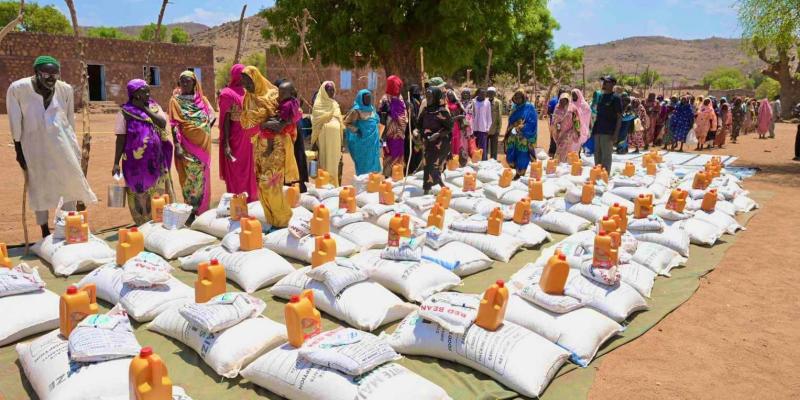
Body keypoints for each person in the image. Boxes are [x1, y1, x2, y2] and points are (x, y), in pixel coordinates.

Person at [7, 55, 96, 238]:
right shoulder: (18, 89)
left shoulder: (64, 89)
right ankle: (44, 230)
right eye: (46, 74)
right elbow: (15, 120)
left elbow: (69, 120)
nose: (51, 79)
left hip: (62, 143)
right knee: (39, 185)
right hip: (33, 146)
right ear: (36, 73)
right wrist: (19, 151)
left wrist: (73, 147)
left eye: (55, 75)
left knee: (69, 181)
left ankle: (67, 224)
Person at [240, 68, 299, 228]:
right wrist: (263, 125)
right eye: (243, 81)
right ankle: (273, 220)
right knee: (262, 186)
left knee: (272, 185)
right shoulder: (247, 100)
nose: (245, 84)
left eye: (248, 80)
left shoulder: (273, 94)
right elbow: (245, 125)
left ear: (256, 79)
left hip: (277, 147)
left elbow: (295, 112)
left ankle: (283, 219)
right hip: (260, 147)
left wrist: (282, 124)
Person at [112, 79, 174, 225]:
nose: (148, 93)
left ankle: (156, 222)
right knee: (137, 194)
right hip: (133, 164)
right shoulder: (124, 112)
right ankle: (142, 224)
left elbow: (162, 123)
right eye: (144, 91)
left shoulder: (154, 107)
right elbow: (120, 139)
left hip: (155, 160)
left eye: (148, 90)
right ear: (134, 94)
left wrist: (144, 109)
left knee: (156, 193)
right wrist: (115, 163)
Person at [168, 70, 215, 219]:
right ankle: (191, 209)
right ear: (179, 83)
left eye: (188, 80)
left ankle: (202, 210)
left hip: (203, 146)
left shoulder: (203, 100)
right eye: (182, 81)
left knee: (203, 177)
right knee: (190, 177)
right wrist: (178, 145)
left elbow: (212, 117)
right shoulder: (175, 101)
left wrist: (203, 130)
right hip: (187, 146)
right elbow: (174, 124)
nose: (185, 83)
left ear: (195, 83)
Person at [219, 64, 258, 200]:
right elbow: (225, 121)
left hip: (250, 140)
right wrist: (226, 145)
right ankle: (237, 202)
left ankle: (251, 201)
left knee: (251, 171)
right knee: (236, 171)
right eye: (242, 74)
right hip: (235, 139)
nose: (244, 77)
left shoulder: (249, 92)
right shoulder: (227, 94)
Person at [416, 86, 452, 193]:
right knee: (428, 165)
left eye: (430, 96)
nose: (428, 98)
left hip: (440, 144)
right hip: (429, 143)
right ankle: (434, 186)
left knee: (432, 165)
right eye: (427, 96)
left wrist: (438, 134)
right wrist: (417, 132)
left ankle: (429, 188)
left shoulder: (442, 111)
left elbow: (449, 128)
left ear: (436, 97)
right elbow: (419, 125)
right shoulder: (425, 111)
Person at [311, 81, 344, 186]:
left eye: (333, 90)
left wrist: (342, 143)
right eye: (329, 90)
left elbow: (340, 122)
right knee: (324, 163)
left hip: (336, 140)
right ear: (323, 91)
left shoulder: (335, 105)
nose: (331, 92)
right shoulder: (318, 105)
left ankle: (334, 186)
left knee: (334, 164)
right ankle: (324, 185)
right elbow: (316, 124)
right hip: (323, 139)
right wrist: (314, 142)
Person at [344, 89, 381, 175]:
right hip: (362, 143)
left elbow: (376, 121)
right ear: (361, 99)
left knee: (373, 162)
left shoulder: (372, 109)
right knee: (364, 165)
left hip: (373, 142)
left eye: (369, 98)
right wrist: (356, 130)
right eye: (366, 98)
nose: (368, 100)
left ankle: (373, 182)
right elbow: (347, 122)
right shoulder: (356, 110)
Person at [591, 76, 622, 172]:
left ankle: (604, 176)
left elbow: (619, 117)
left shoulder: (616, 98)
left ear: (613, 84)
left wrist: (616, 134)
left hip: (608, 132)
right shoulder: (601, 96)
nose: (603, 83)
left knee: (606, 156)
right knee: (597, 155)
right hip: (598, 130)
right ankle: (597, 173)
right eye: (603, 82)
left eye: (606, 82)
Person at [379, 75, 408, 176]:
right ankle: (388, 178)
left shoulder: (400, 98)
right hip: (388, 136)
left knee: (398, 159)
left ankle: (397, 177)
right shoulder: (385, 99)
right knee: (388, 157)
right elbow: (382, 120)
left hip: (399, 136)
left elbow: (404, 117)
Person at [506, 90, 538, 177]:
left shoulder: (529, 107)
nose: (518, 99)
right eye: (516, 97)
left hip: (524, 136)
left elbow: (532, 122)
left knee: (522, 154)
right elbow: (510, 121)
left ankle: (520, 173)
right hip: (513, 135)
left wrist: (521, 127)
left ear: (524, 97)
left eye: (520, 97)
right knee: (511, 153)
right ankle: (515, 170)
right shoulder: (514, 107)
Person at [550, 93, 581, 162]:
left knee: (565, 147)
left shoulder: (572, 108)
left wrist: (577, 130)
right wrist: (556, 127)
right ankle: (560, 163)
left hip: (569, 132)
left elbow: (576, 120)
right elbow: (554, 120)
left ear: (568, 100)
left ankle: (563, 163)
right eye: (561, 100)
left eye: (565, 100)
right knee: (560, 147)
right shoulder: (557, 108)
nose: (562, 102)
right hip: (559, 131)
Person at [446, 89, 469, 165]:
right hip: (449, 124)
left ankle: (456, 158)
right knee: (450, 141)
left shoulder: (457, 103)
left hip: (456, 125)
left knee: (456, 141)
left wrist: (460, 108)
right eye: (448, 96)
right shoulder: (446, 103)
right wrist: (457, 116)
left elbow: (464, 112)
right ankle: (450, 160)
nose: (450, 97)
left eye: (451, 95)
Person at [471, 88, 492, 161]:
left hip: (483, 128)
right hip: (474, 127)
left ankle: (483, 161)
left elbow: (489, 116)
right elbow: (471, 115)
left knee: (483, 146)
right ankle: (475, 161)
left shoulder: (487, 102)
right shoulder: (473, 102)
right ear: (477, 94)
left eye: (484, 94)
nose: (483, 95)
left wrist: (487, 128)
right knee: (474, 146)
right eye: (481, 94)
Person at [407, 84, 424, 173]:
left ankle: (418, 167)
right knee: (413, 149)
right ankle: (412, 168)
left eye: (418, 90)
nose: (417, 93)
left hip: (419, 128)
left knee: (419, 149)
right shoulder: (410, 102)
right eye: (415, 91)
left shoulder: (420, 101)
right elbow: (410, 117)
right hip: (411, 128)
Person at [487, 87, 503, 160]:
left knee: (494, 148)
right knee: (485, 147)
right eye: (489, 92)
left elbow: (499, 116)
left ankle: (493, 161)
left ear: (495, 93)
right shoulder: (485, 101)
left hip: (494, 128)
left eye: (492, 93)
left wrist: (498, 129)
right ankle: (484, 161)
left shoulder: (498, 102)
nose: (490, 94)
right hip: (485, 129)